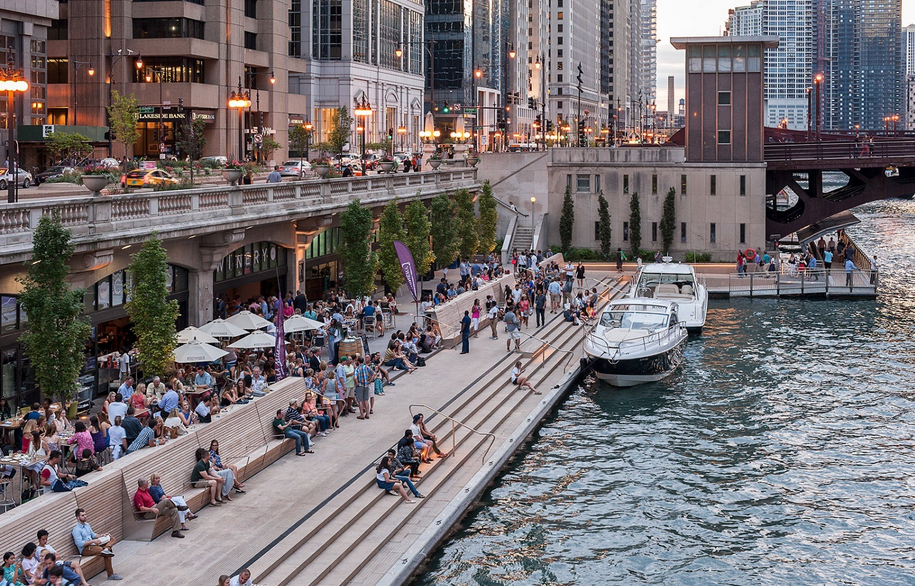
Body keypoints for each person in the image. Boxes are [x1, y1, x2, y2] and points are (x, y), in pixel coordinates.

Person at [71, 508, 121, 580]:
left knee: (111, 538)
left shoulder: (87, 525)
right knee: (104, 551)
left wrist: (102, 535)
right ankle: (110, 574)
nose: (85, 516)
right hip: (85, 549)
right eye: (82, 515)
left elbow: (93, 535)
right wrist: (92, 541)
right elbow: (79, 544)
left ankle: (106, 548)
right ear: (78, 518)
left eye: (85, 514)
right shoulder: (76, 530)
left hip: (94, 545)